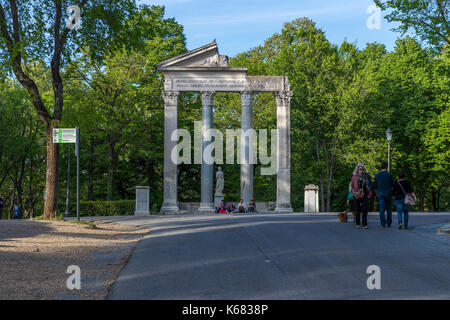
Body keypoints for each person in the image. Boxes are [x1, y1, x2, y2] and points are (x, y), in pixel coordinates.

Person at [351, 163, 372, 229]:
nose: (361, 170)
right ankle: (357, 223)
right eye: (360, 169)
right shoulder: (354, 177)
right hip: (357, 194)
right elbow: (352, 186)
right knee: (357, 209)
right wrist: (354, 193)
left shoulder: (366, 176)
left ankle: (364, 224)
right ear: (357, 169)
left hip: (364, 194)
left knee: (365, 209)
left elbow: (369, 185)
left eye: (362, 169)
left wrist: (369, 192)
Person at [374, 161, 394, 228]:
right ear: (386, 167)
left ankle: (383, 223)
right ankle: (389, 223)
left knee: (381, 209)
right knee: (388, 209)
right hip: (388, 194)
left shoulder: (377, 175)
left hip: (380, 194)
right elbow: (392, 186)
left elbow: (375, 187)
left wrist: (377, 193)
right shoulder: (389, 175)